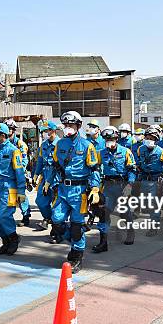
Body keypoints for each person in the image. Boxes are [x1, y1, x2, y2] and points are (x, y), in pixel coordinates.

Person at [44, 111, 100, 273]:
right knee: (56, 219)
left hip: (79, 190)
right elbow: (55, 165)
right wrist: (48, 181)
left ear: (79, 126)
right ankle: (75, 237)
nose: (68, 128)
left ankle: (76, 256)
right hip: (62, 189)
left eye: (71, 125)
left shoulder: (87, 146)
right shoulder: (60, 144)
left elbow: (94, 169)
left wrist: (95, 188)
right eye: (66, 125)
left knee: (76, 225)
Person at [91, 126, 136, 252]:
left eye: (111, 139)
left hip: (123, 186)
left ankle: (130, 232)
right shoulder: (101, 153)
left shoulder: (126, 152)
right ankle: (103, 242)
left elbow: (132, 170)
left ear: (116, 138)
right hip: (108, 186)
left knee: (124, 212)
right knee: (104, 213)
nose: (109, 141)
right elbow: (94, 168)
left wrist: (130, 185)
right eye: (106, 139)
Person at [0, 123, 26, 255]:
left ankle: (13, 238)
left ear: (3, 135)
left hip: (10, 187)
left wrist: (21, 191)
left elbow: (19, 172)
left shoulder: (14, 150)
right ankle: (5, 242)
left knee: (4, 214)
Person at [136, 127, 163, 236]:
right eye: (147, 137)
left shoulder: (162, 153)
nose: (148, 140)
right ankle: (156, 217)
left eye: (151, 138)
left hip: (157, 181)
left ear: (155, 139)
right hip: (144, 180)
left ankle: (154, 226)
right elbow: (139, 164)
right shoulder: (140, 149)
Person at [33, 120, 60, 230]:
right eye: (42, 131)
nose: (43, 133)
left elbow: (57, 165)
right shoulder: (43, 145)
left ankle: (56, 227)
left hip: (56, 178)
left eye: (46, 131)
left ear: (53, 131)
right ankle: (48, 218)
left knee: (56, 203)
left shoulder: (60, 144)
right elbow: (40, 161)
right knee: (40, 201)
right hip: (45, 175)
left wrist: (50, 181)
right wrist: (35, 174)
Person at [5, 119, 32, 227]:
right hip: (8, 174)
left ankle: (26, 216)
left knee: (21, 195)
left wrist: (20, 170)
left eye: (9, 129)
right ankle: (4, 217)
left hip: (19, 173)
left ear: (13, 130)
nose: (7, 131)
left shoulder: (20, 144)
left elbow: (25, 160)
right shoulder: (5, 143)